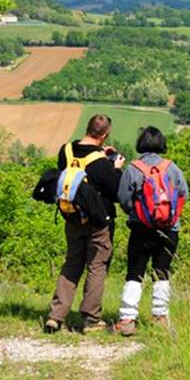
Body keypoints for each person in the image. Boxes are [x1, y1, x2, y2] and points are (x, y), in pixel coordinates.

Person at [44, 114, 124, 334]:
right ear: (105, 135)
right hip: (98, 222)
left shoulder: (66, 151)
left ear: (88, 129)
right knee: (97, 266)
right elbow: (116, 191)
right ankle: (91, 318)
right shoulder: (100, 162)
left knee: (71, 264)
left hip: (72, 217)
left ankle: (55, 316)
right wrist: (115, 167)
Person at [113, 126, 189, 336]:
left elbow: (124, 200)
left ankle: (127, 319)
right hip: (169, 230)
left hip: (140, 229)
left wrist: (138, 214)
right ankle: (160, 318)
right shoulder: (172, 168)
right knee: (162, 273)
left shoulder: (133, 169)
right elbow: (184, 195)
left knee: (134, 273)